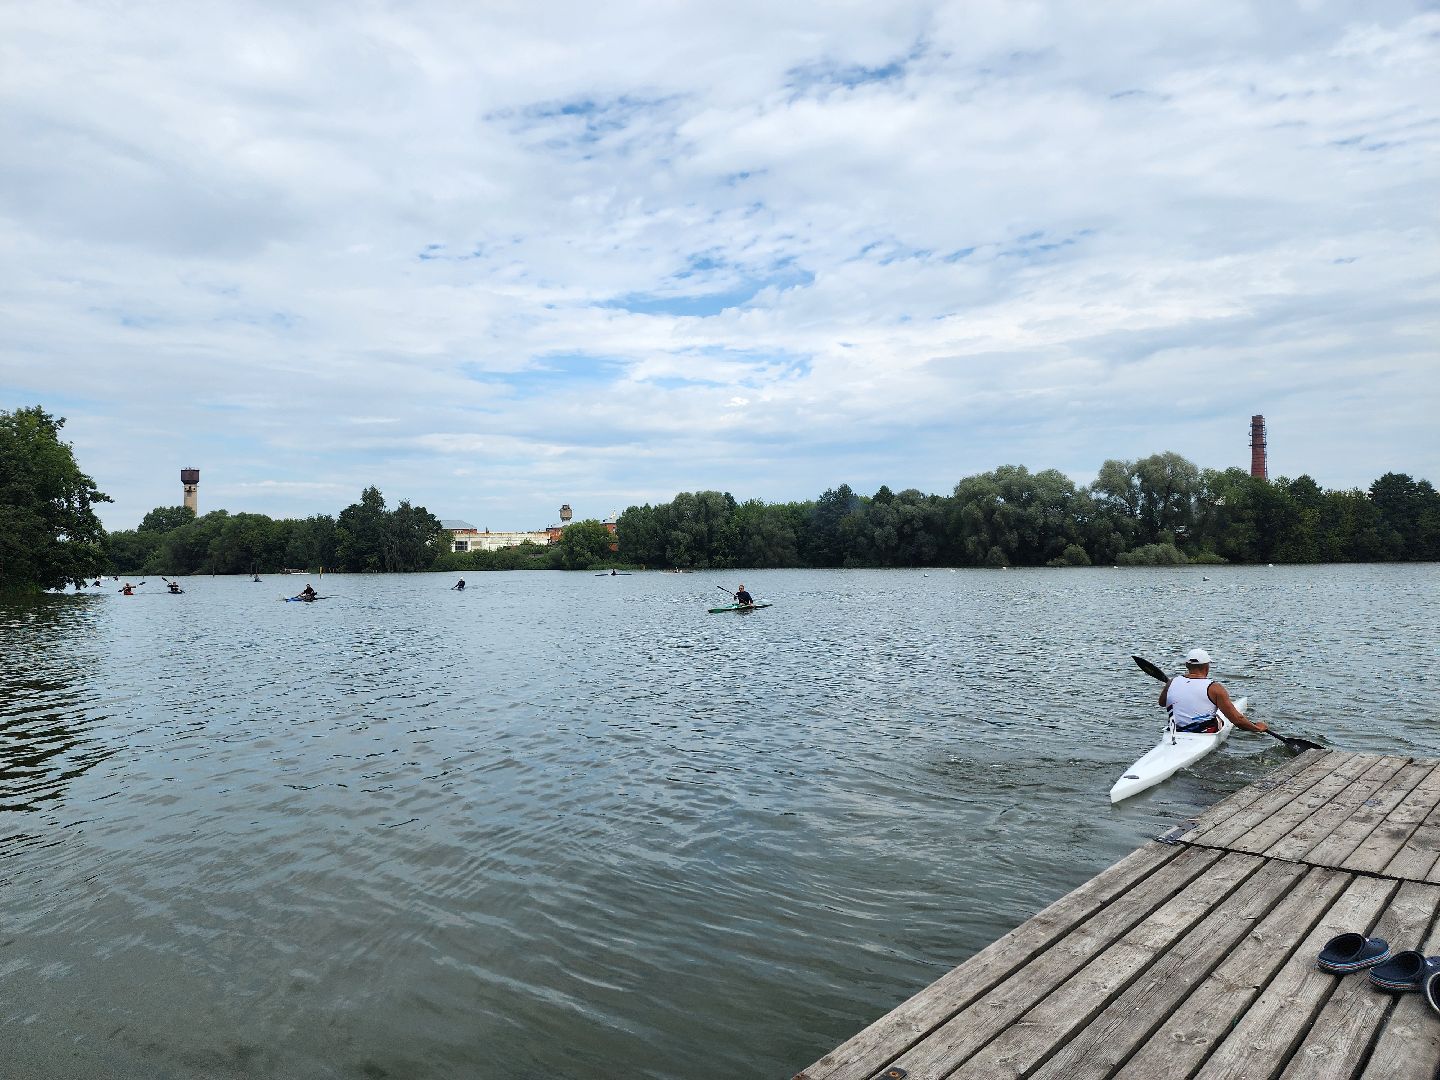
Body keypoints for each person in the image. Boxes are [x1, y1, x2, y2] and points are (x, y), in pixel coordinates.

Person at [1160, 648, 1267, 734]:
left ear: (1187, 665)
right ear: (1207, 666)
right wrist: (1258, 728)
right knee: (1221, 717)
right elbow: (1237, 720)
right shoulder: (1214, 688)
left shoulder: (1172, 682)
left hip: (1175, 730)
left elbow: (1162, 703)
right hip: (1202, 732)